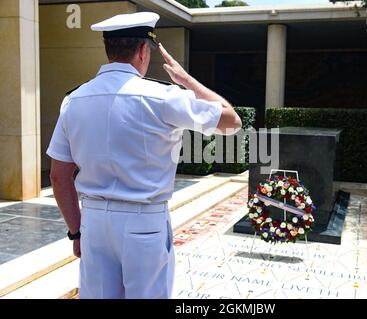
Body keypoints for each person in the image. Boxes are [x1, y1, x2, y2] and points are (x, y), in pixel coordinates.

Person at [47, 12, 241, 299]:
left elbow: (58, 175)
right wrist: (186, 80)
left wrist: (76, 232)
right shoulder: (164, 96)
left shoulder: (73, 100)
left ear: (108, 50)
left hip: (94, 222)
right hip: (143, 223)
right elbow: (232, 121)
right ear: (142, 50)